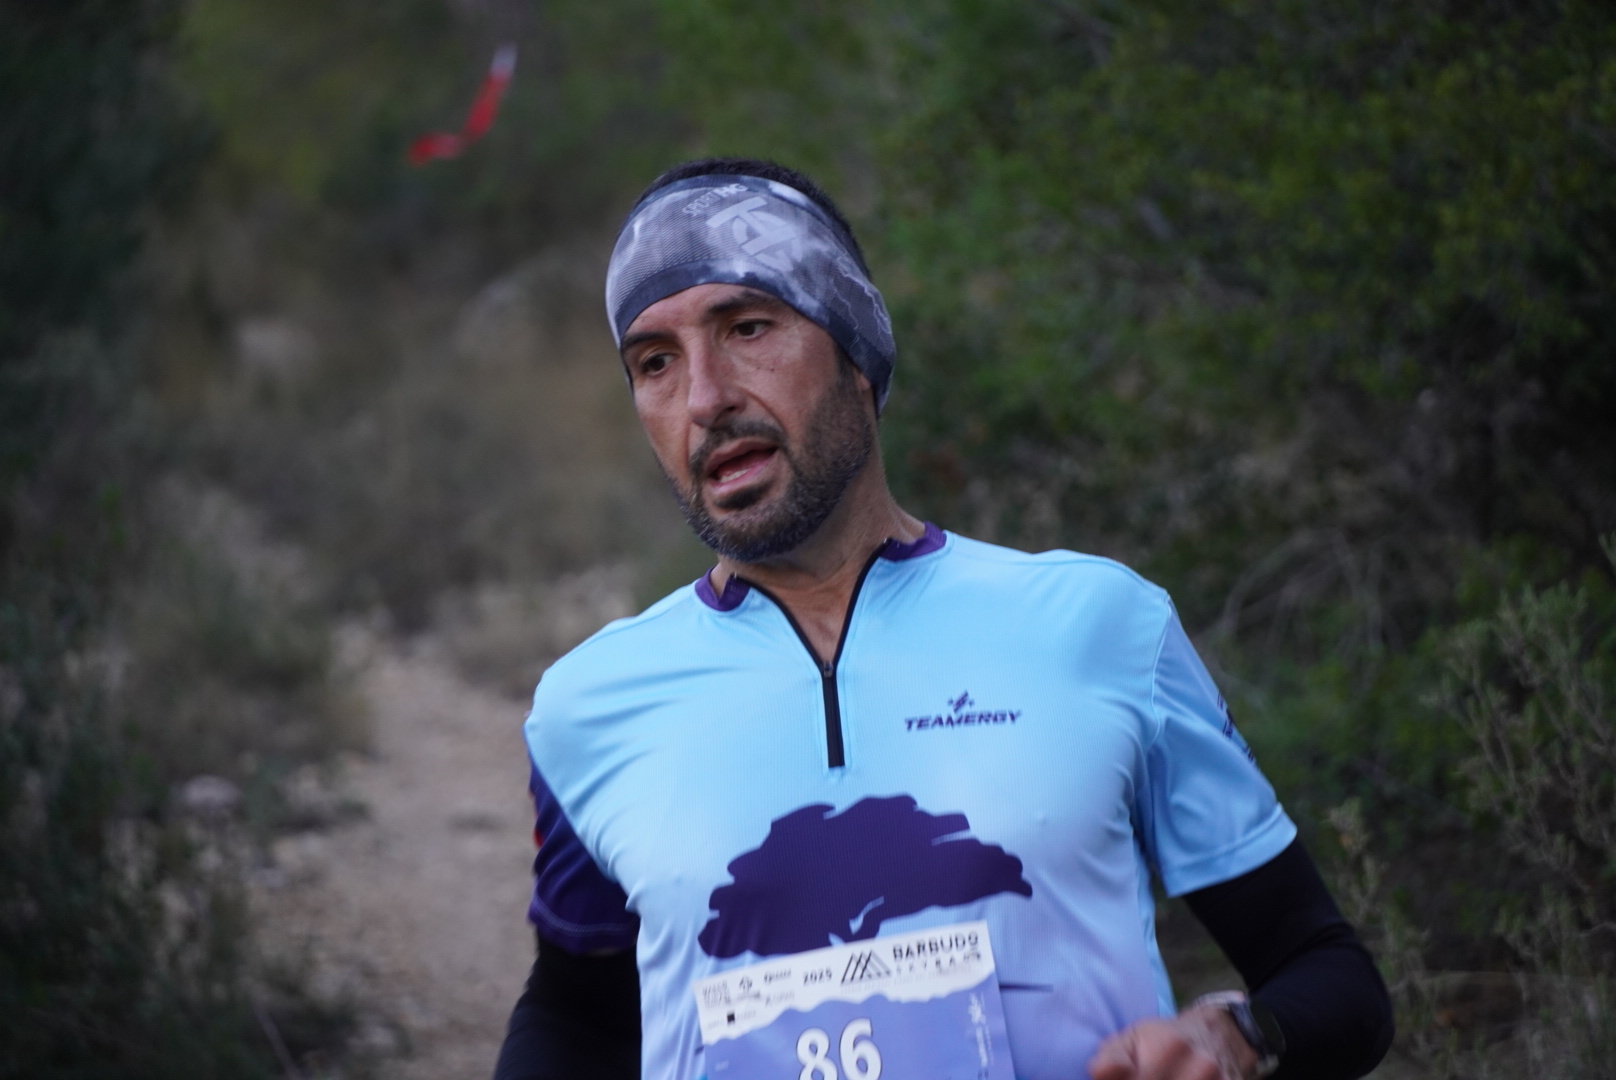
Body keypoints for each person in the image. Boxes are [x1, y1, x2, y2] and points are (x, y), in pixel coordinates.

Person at [493, 157, 1394, 1080]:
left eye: (748, 327)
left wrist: (1238, 1034)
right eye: (655, 362)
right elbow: (578, 1014)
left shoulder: (1099, 624)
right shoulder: (589, 707)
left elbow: (1328, 974)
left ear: (857, 352)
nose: (704, 398)